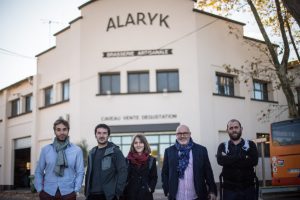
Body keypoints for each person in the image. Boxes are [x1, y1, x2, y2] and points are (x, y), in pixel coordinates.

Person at [161, 124, 217, 200]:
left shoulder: (201, 150)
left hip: (197, 196)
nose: (182, 136)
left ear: (190, 134)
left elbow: (208, 172)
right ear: (176, 135)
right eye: (179, 134)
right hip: (176, 197)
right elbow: (165, 172)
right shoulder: (169, 151)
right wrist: (166, 189)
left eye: (185, 133)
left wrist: (212, 190)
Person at [35, 118, 85, 200]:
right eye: (58, 130)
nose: (61, 132)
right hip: (47, 193)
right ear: (54, 131)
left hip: (68, 193)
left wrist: (76, 190)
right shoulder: (46, 150)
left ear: (68, 130)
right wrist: (39, 189)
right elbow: (39, 171)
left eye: (64, 129)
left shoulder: (77, 150)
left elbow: (80, 172)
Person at [217, 119, 258, 200]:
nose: (234, 130)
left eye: (236, 127)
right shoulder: (222, 146)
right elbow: (220, 161)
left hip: (248, 189)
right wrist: (243, 157)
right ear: (227, 130)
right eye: (231, 128)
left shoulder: (251, 144)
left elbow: (254, 161)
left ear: (241, 129)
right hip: (229, 191)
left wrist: (228, 159)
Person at [84, 124, 127, 200]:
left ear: (108, 135)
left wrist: (117, 192)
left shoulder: (115, 151)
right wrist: (86, 191)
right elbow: (88, 173)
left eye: (104, 133)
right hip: (91, 195)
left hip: (108, 196)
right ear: (95, 135)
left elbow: (123, 172)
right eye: (99, 133)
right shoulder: (92, 152)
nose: (101, 135)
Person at [122, 134, 158, 200]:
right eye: (136, 143)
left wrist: (150, 188)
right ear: (133, 145)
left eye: (141, 142)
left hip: (145, 195)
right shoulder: (127, 160)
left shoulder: (151, 160)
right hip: (129, 195)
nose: (138, 145)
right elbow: (123, 177)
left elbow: (154, 177)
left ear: (145, 144)